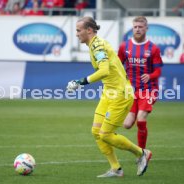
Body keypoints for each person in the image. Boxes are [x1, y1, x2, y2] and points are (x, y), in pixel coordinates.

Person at [67, 16, 152, 178]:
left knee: (105, 134)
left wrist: (80, 82)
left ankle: (141, 153)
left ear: (89, 30)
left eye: (79, 30)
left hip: (120, 94)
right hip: (109, 92)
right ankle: (116, 169)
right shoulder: (94, 44)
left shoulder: (98, 46)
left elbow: (104, 71)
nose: (76, 34)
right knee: (96, 132)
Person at [118, 16, 163, 150]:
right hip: (131, 91)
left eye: (140, 27)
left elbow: (158, 71)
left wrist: (150, 75)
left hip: (149, 89)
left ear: (146, 29)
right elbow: (118, 66)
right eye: (135, 27)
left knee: (141, 118)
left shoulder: (153, 48)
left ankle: (142, 153)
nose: (137, 29)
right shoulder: (124, 46)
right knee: (126, 124)